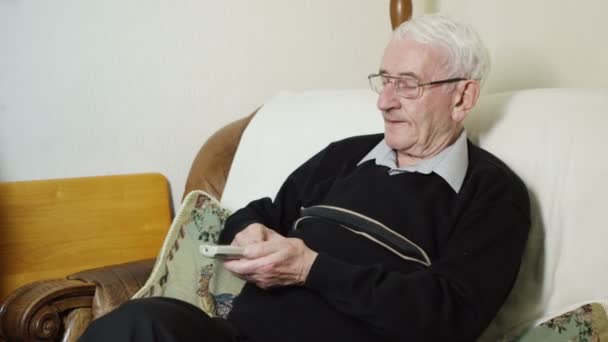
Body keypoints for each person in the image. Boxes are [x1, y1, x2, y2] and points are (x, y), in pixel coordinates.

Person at [79, 13, 530, 342]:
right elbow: (263, 212)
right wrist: (247, 232)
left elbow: (448, 316)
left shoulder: (491, 193)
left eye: (407, 85)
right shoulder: (346, 156)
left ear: (462, 97)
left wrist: (309, 269)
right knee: (138, 324)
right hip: (237, 336)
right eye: (384, 80)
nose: (384, 102)